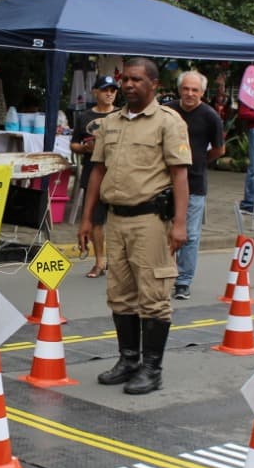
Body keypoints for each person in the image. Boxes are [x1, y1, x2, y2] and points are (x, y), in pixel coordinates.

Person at [77, 57, 190, 396]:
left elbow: (180, 174)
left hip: (151, 221)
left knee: (154, 297)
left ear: (154, 85)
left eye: (136, 80)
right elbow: (97, 171)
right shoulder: (110, 123)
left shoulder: (168, 122)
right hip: (116, 219)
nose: (128, 85)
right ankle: (128, 361)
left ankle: (151, 369)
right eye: (125, 79)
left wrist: (180, 224)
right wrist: (86, 218)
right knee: (121, 295)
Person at [167, 70, 225, 300]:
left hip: (195, 184)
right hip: (164, 181)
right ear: (179, 89)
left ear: (202, 92)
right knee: (161, 231)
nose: (190, 94)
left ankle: (183, 281)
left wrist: (198, 162)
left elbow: (219, 149)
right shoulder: (168, 111)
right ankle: (163, 273)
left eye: (195, 90)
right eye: (186, 89)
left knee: (189, 234)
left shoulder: (210, 116)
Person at [70, 76, 120, 277]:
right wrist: (84, 147)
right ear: (95, 92)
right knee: (95, 220)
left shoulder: (123, 115)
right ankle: (100, 262)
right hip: (93, 171)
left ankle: (118, 262)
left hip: (118, 174)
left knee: (120, 220)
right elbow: (73, 143)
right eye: (105, 90)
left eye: (112, 90)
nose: (109, 93)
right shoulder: (84, 116)